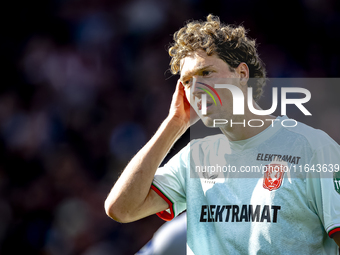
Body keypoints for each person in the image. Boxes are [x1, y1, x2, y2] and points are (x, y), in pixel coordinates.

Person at [105, 15, 340, 254]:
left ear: (241, 74)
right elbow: (121, 209)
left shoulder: (312, 148)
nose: (196, 89)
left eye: (206, 73)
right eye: (187, 81)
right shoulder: (195, 157)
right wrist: (174, 124)